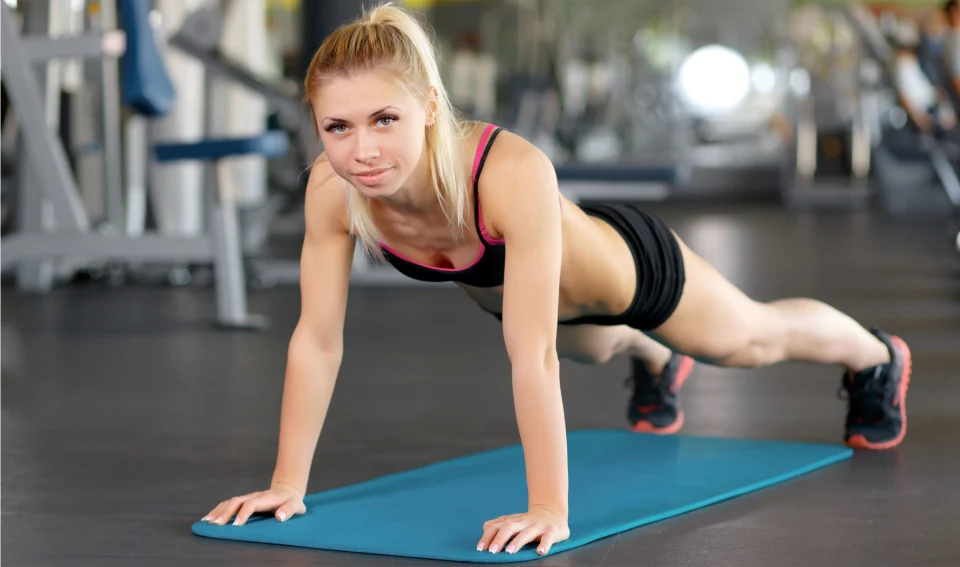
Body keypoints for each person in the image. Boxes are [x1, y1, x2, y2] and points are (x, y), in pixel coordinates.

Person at [200, 3, 912, 557]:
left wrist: (548, 505)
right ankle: (653, 355)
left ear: (431, 107)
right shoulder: (331, 190)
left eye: (385, 119)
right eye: (339, 127)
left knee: (752, 339)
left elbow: (530, 354)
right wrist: (287, 484)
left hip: (630, 270)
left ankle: (874, 355)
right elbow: (316, 341)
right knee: (595, 347)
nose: (362, 149)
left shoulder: (509, 173)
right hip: (547, 301)